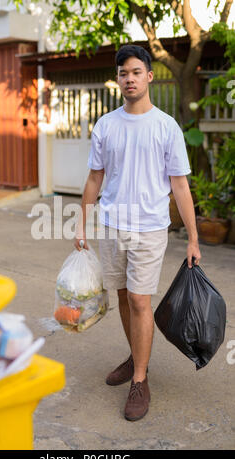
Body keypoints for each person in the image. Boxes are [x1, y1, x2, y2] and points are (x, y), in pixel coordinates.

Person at [74, 44, 201, 421]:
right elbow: (95, 177)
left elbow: (180, 186)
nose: (128, 79)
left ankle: (140, 380)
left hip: (149, 228)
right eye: (122, 74)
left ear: (148, 75)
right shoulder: (106, 125)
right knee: (125, 298)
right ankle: (136, 357)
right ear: (118, 80)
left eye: (134, 72)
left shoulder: (166, 127)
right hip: (112, 225)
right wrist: (80, 223)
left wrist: (193, 239)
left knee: (141, 302)